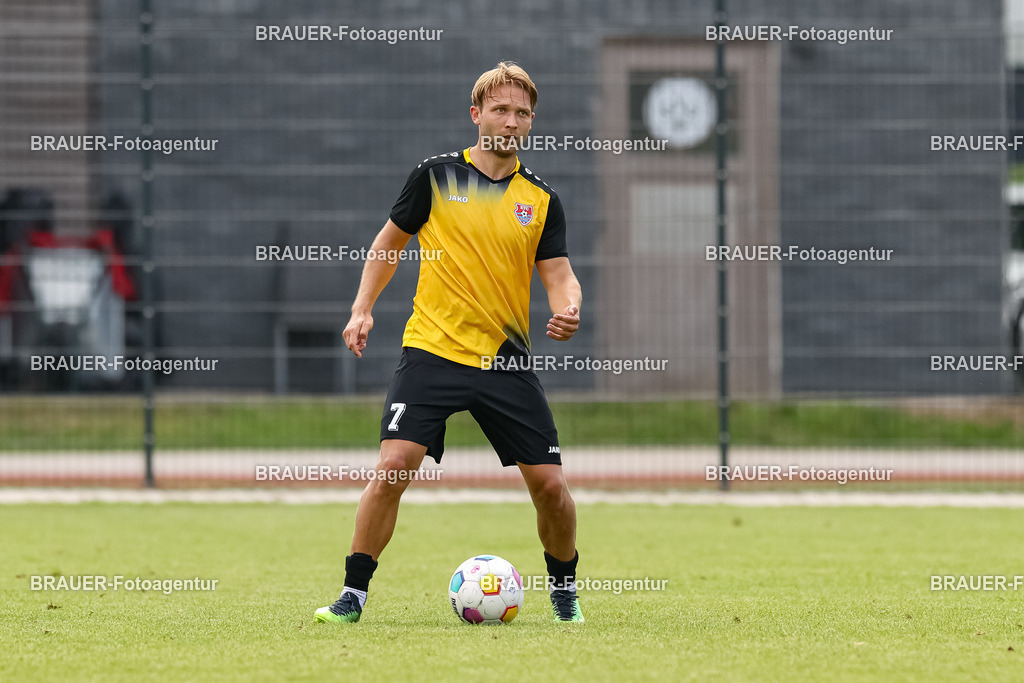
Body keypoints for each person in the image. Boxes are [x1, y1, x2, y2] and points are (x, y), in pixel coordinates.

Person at [315, 61, 584, 624]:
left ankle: (564, 592)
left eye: (521, 113)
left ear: (531, 122)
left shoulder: (540, 199)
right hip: (432, 352)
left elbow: (558, 273)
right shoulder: (434, 176)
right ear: (476, 115)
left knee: (552, 487)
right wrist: (361, 309)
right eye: (500, 110)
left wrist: (568, 307)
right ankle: (353, 594)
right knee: (394, 465)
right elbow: (388, 245)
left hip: (505, 362)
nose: (510, 121)